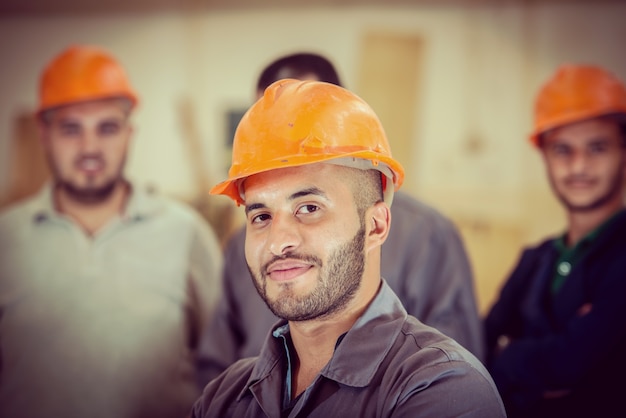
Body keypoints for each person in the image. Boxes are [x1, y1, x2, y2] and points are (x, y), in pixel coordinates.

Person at [191, 78, 506, 417]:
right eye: (262, 216)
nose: (278, 240)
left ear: (376, 226)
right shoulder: (223, 398)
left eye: (309, 208)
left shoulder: (443, 388)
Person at [0, 45, 223, 418]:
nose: (90, 147)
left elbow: (225, 365)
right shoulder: (6, 240)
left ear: (129, 132)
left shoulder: (186, 233)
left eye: (107, 128)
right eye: (71, 129)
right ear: (44, 134)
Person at [484, 64, 626, 417]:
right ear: (545, 155)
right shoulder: (536, 258)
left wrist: (513, 353)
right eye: (563, 150)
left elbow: (570, 363)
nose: (578, 166)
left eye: (597, 148)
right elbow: (480, 348)